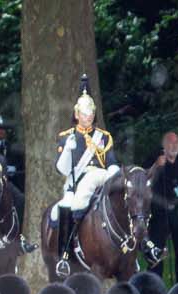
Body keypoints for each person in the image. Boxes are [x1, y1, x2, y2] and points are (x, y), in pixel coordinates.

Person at [50, 75, 118, 275]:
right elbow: (62, 169)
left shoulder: (104, 137)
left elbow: (112, 163)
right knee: (66, 206)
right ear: (77, 114)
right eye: (84, 113)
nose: (87, 117)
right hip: (76, 183)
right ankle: (64, 255)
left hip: (101, 180)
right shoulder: (66, 137)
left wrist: (113, 175)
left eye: (91, 113)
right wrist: (68, 151)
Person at [147, 130, 178, 265]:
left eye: (176, 142)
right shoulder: (154, 160)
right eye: (170, 142)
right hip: (159, 213)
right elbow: (145, 180)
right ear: (163, 146)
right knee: (156, 252)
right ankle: (154, 283)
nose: (173, 146)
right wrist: (156, 166)